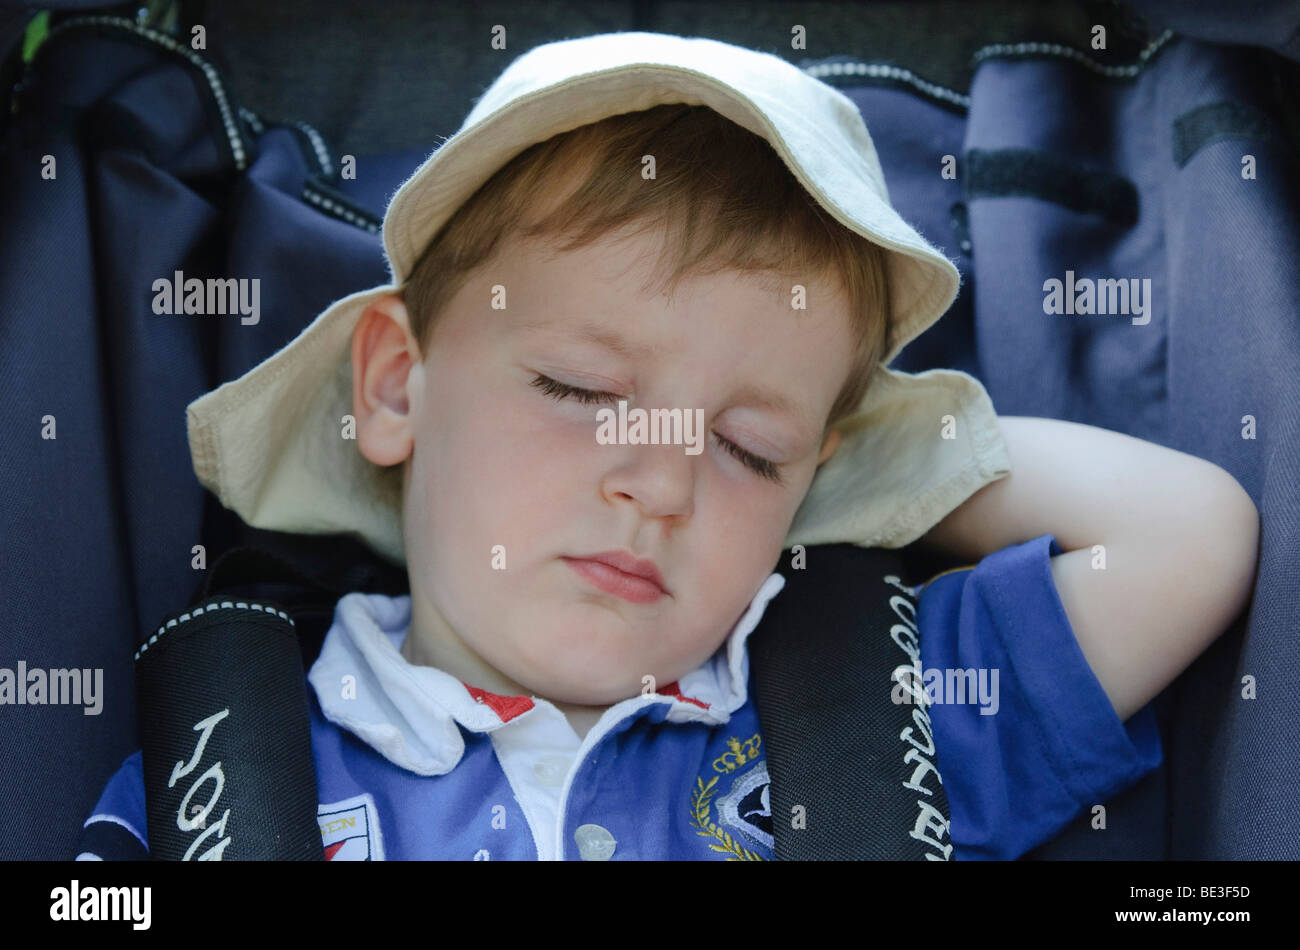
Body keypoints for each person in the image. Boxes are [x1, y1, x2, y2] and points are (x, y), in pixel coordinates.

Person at [76, 31, 1258, 861]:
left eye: (745, 448)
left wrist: (876, 469)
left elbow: (1186, 536)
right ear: (397, 386)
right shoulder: (238, 757)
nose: (657, 482)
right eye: (579, 387)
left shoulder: (865, 706)